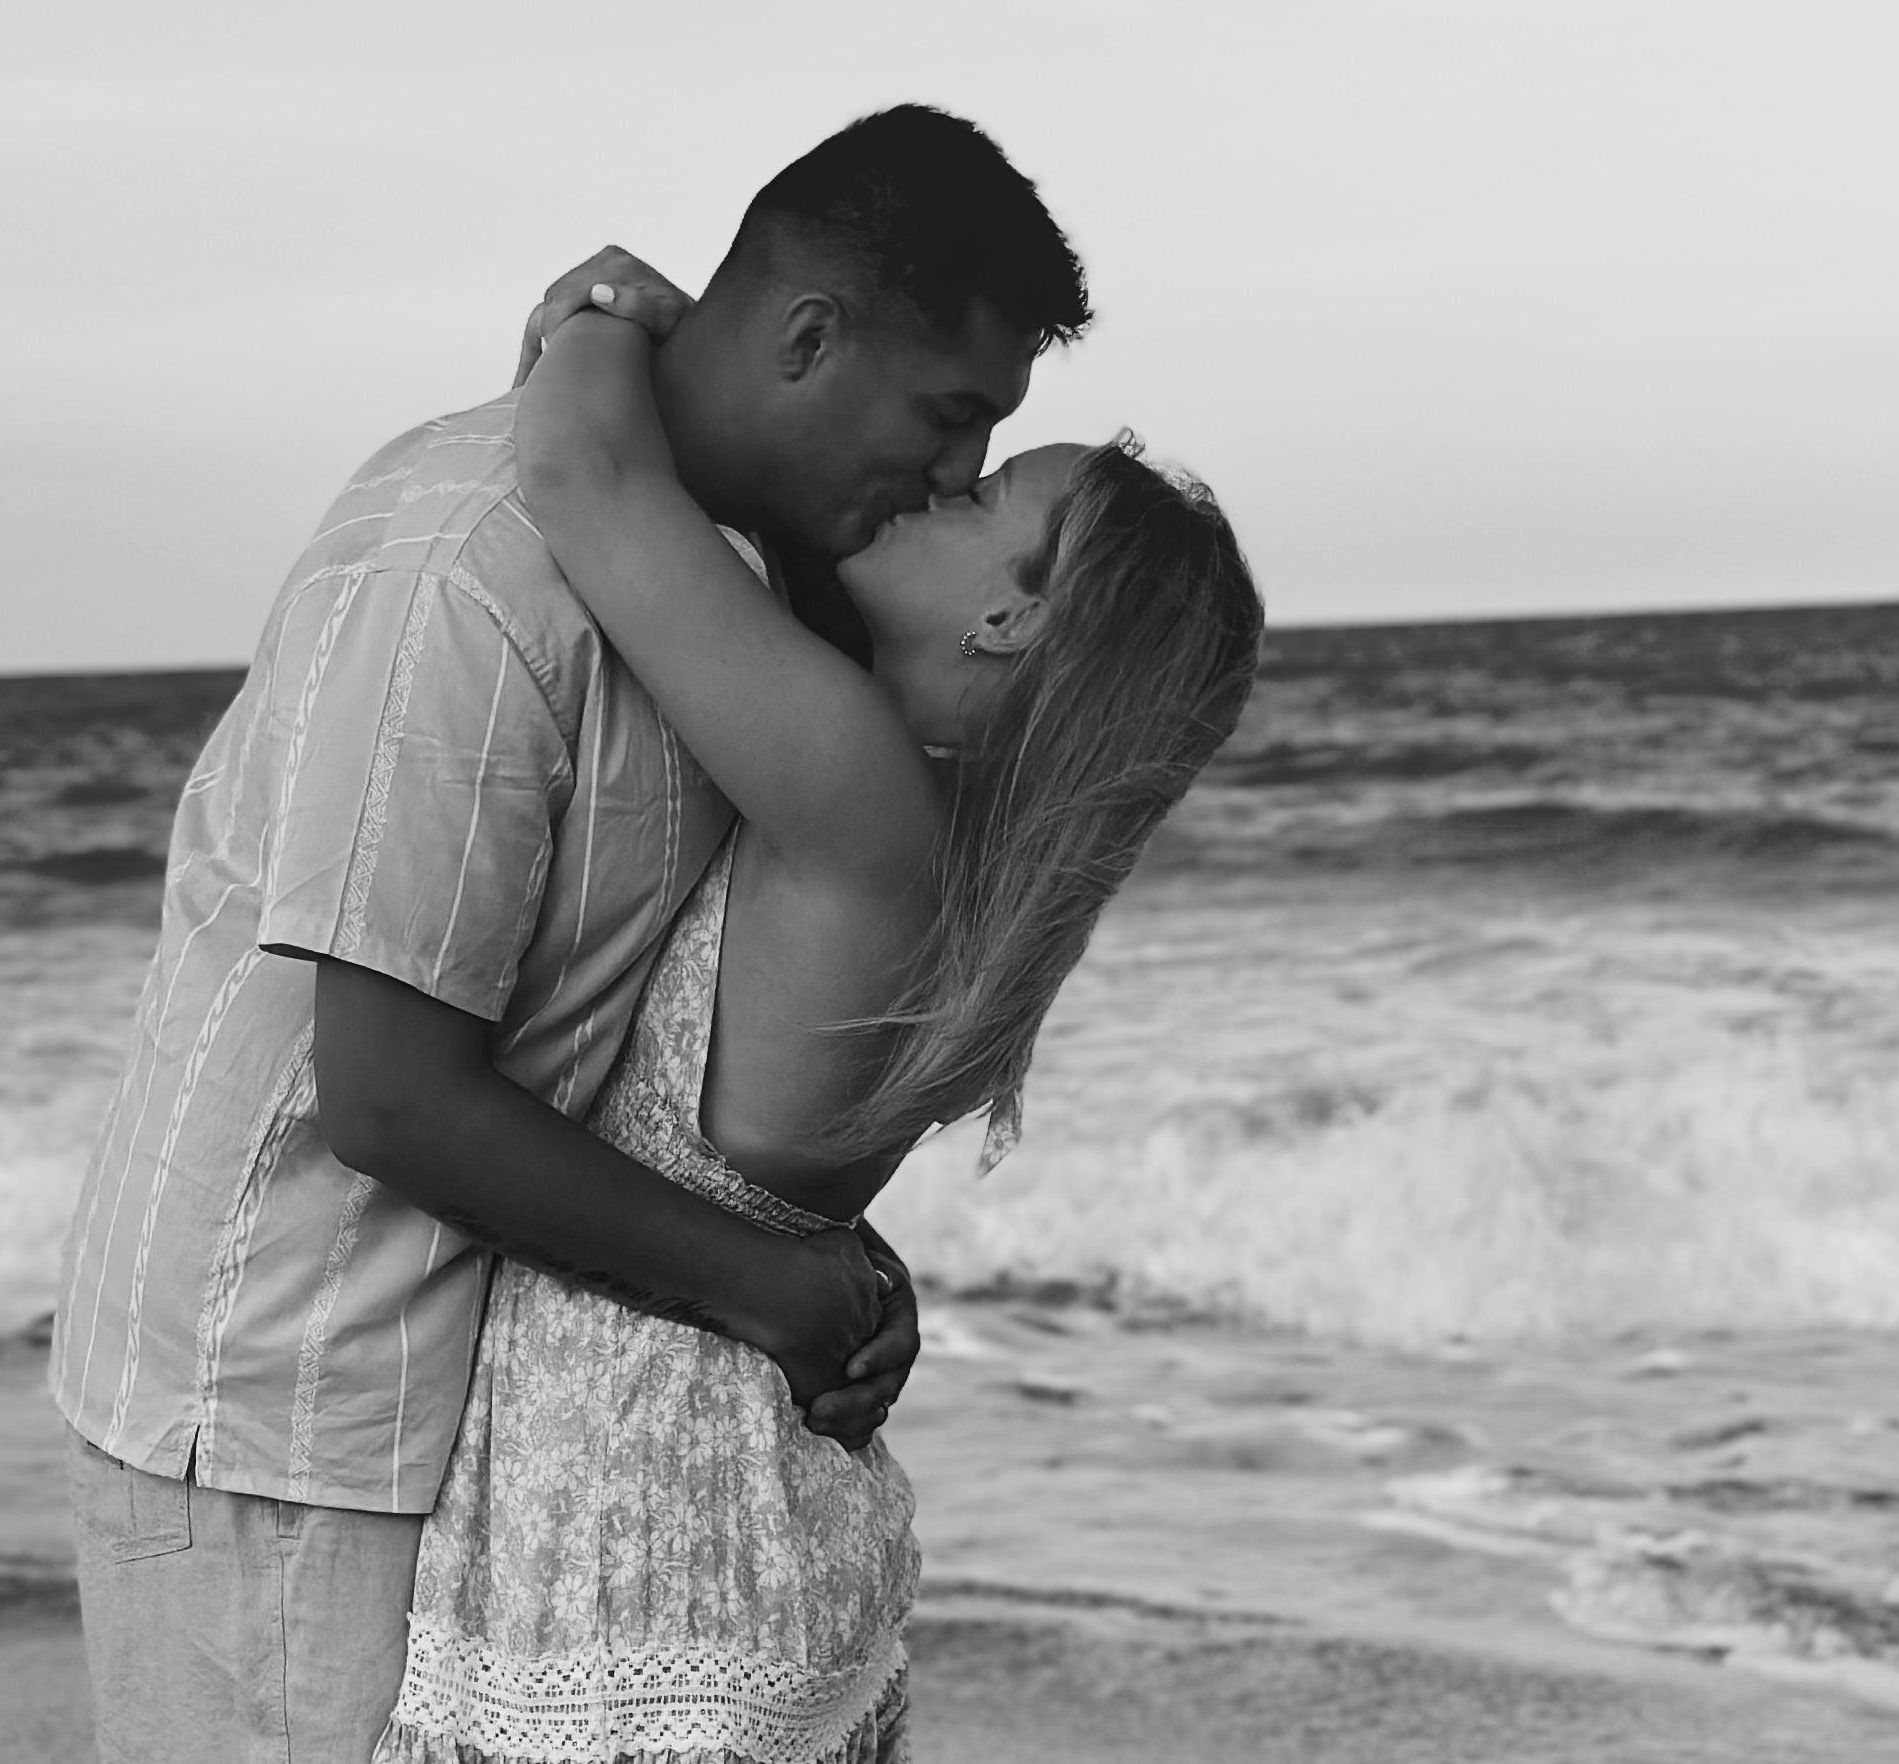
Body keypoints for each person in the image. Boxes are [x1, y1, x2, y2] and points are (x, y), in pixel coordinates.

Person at [49, 106, 1090, 1763]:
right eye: (951, 414)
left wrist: (813, 1257)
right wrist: (769, 1284)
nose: (957, 475)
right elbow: (388, 1098)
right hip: (290, 1409)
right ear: (810, 338)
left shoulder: (729, 580)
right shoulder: (474, 574)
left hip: (450, 1401)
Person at [374, 264, 1265, 1758]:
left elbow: (585, 477)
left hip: (638, 1537)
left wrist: (610, 313)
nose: (947, 481)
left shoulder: (858, 793)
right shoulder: (968, 861)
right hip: (742, 1525)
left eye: (989, 499)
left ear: (1009, 620)